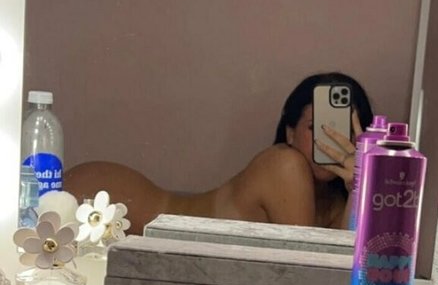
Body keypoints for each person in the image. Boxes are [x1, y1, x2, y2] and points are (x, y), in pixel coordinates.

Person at [64, 71, 374, 234]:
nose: (332, 142)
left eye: (344, 131)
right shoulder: (285, 164)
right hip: (117, 201)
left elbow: (347, 274)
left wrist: (357, 185)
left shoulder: (339, 201)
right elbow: (312, 271)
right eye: (317, 129)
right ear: (290, 133)